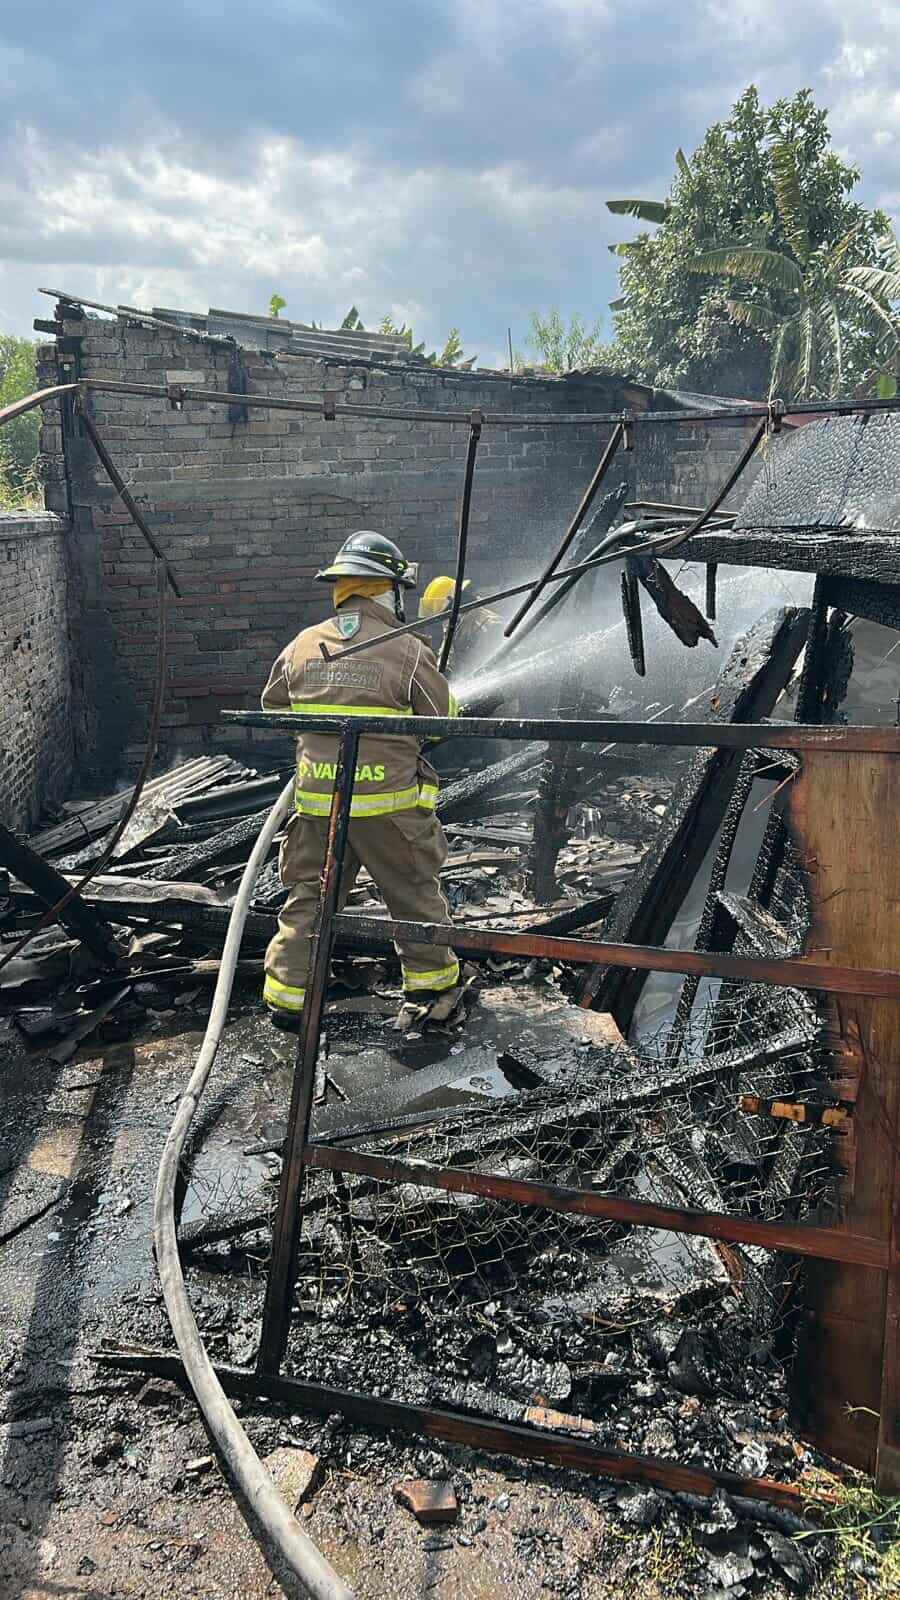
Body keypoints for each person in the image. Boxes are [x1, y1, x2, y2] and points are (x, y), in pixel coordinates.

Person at [260, 530, 463, 1033]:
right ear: (386, 590)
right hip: (388, 809)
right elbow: (443, 719)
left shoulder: (302, 645)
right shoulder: (407, 650)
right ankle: (432, 986)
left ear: (343, 588)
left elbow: (274, 709)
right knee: (413, 893)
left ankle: (288, 998)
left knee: (310, 895)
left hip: (317, 806)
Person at [419, 575, 504, 676]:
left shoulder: (489, 626)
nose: (444, 623)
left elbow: (480, 668)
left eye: (444, 616)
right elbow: (446, 655)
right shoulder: (456, 626)